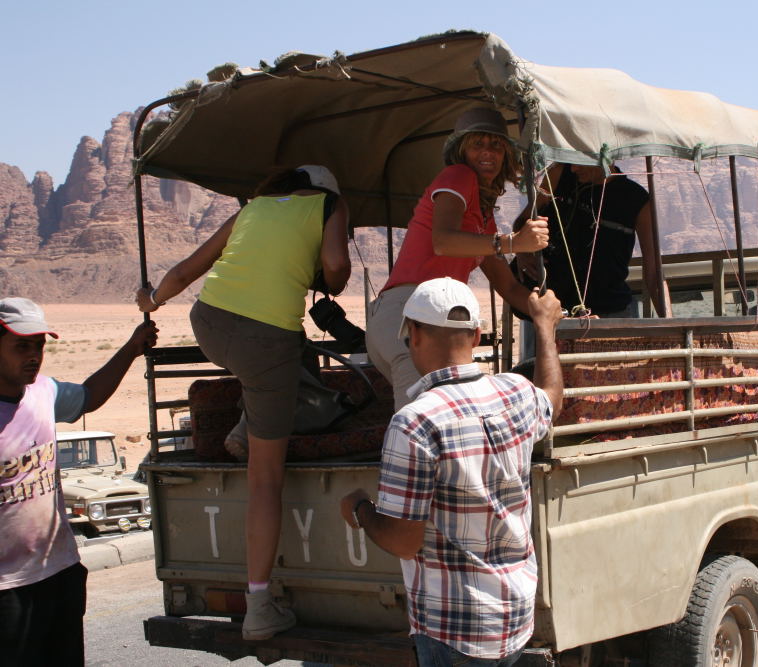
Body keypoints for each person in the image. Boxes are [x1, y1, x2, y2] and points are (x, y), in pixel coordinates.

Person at [136, 164, 351, 641]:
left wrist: (150, 301)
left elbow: (188, 269)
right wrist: (330, 279)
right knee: (266, 480)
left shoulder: (252, 209)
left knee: (286, 358)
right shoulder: (330, 205)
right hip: (266, 343)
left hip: (209, 323)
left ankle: (244, 423)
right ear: (325, 192)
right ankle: (259, 607)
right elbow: (335, 268)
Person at [341, 277, 564, 666]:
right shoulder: (516, 393)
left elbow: (403, 541)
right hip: (513, 617)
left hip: (455, 630)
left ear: (413, 335)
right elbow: (552, 399)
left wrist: (361, 509)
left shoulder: (414, 423)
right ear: (477, 335)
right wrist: (544, 328)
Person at [0, 297, 158, 666]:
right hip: (7, 590)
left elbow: (89, 396)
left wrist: (132, 349)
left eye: (39, 345)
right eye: (21, 345)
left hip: (60, 573)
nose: (34, 355)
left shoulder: (44, 392)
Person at [366, 107, 549, 410]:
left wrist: (553, 314)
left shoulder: (482, 219)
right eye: (477, 144)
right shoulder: (458, 175)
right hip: (408, 315)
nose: (487, 152)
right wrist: (515, 242)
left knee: (436, 419)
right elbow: (443, 241)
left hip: (413, 320)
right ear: (462, 151)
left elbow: (510, 288)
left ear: (506, 153)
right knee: (426, 422)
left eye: (495, 145)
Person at [515, 162, 667, 319]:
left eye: (579, 161)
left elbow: (654, 274)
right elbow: (523, 221)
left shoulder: (637, 200)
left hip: (609, 311)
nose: (573, 168)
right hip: (552, 309)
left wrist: (676, 328)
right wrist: (522, 250)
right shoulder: (559, 175)